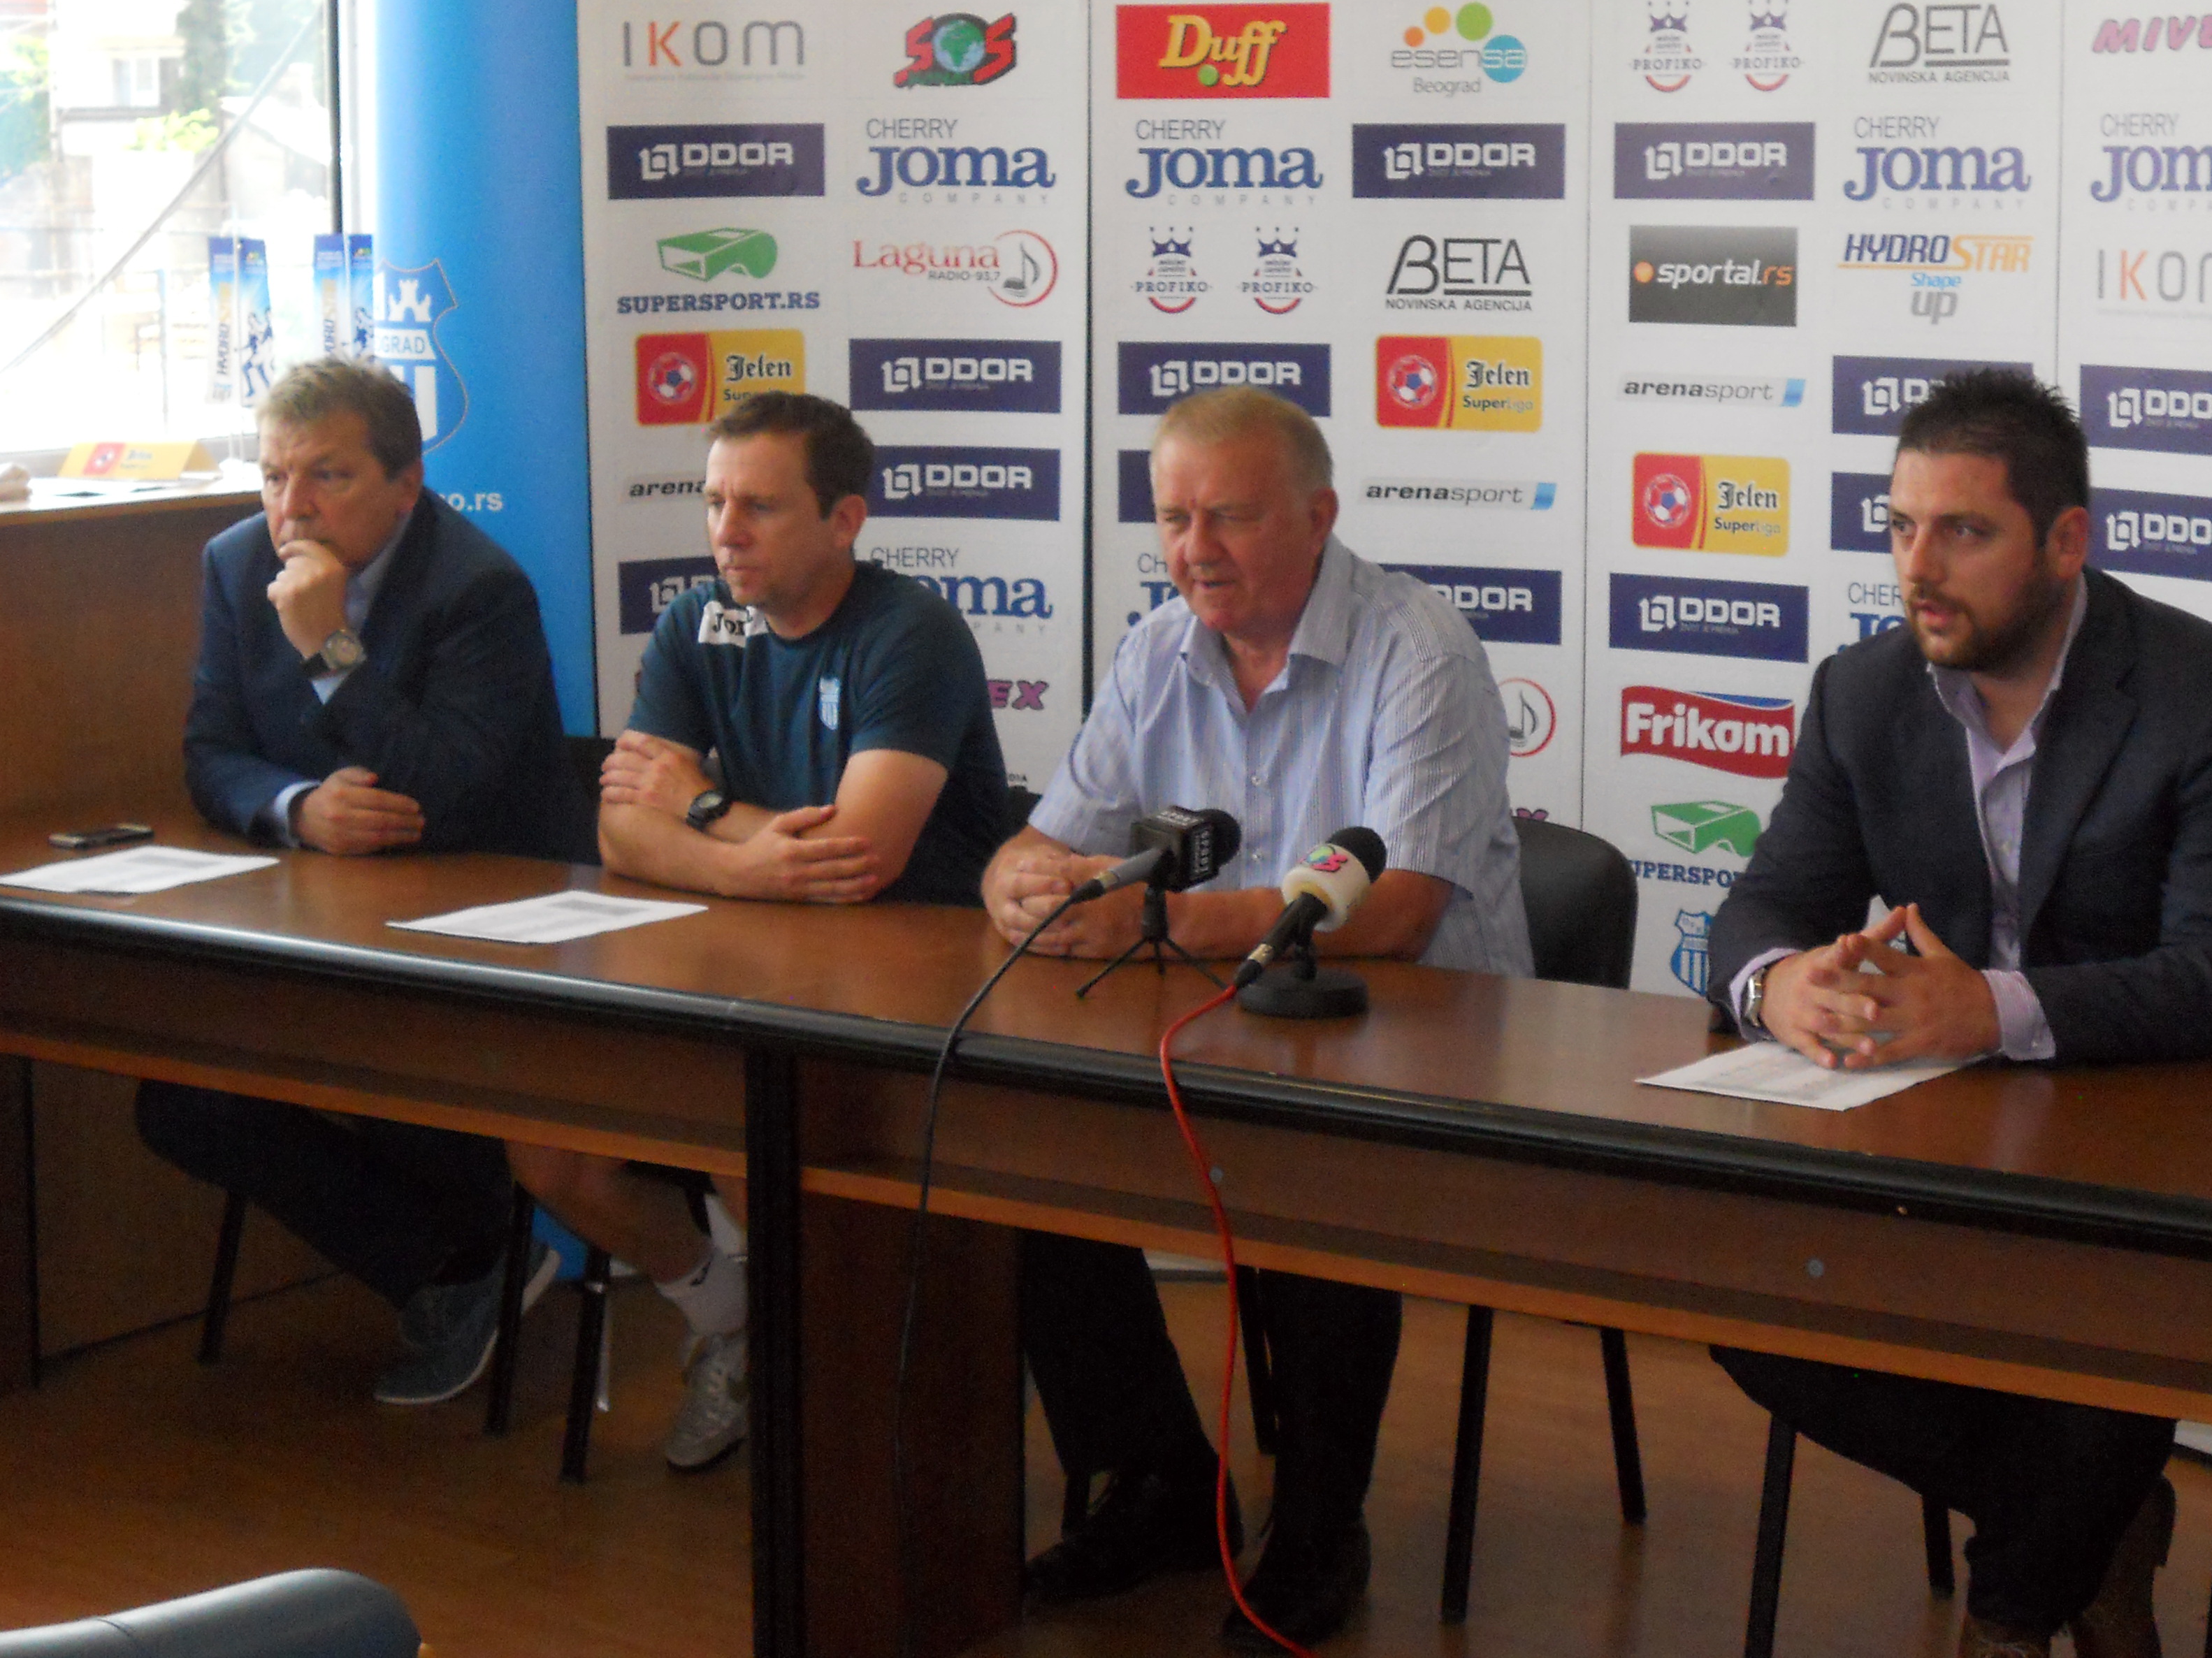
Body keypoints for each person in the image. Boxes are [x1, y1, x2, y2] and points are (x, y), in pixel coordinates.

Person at [1704, 368, 2212, 1658]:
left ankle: (2014, 1609)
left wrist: (1991, 1008)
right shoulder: (1863, 691)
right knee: (1741, 1292)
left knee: (2109, 1342)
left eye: (1965, 532)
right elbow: (1761, 907)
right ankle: (2089, 1527)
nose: (1918, 569)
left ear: (2066, 541)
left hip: (2158, 1144)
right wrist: (1779, 982)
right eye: (1900, 527)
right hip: (1945, 1142)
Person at [983, 384, 1531, 1652]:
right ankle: (1165, 1481)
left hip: (1421, 1042)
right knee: (1014, 1159)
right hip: (1223, 1031)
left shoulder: (1419, 647)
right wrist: (1016, 883)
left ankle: (1323, 1528)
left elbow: (1398, 909)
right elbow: (1047, 839)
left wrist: (1163, 921)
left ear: (1319, 517)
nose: (1195, 551)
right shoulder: (1156, 649)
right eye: (1174, 519)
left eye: (1227, 517)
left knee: (1314, 1178)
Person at [509, 390, 1010, 1473]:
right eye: (714, 503)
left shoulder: (910, 630)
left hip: (912, 994)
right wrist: (745, 859)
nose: (726, 532)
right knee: (549, 1148)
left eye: (760, 508)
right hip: (747, 966)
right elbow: (620, 829)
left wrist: (699, 807)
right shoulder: (699, 623)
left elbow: (859, 858)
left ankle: (831, 1392)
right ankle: (728, 1317)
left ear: (845, 520)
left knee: (753, 1139)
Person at [138, 356, 594, 1406]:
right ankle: (461, 1266)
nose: (291, 508)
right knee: (182, 1101)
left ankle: (469, 1264)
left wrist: (328, 648)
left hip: (487, 915)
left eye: (327, 476)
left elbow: (443, 783)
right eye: (273, 477)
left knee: (393, 1072)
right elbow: (211, 753)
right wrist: (298, 807)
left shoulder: (479, 588)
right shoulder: (234, 562)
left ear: (406, 482)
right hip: (323, 911)